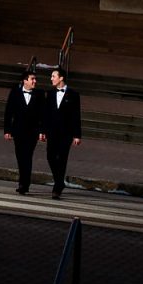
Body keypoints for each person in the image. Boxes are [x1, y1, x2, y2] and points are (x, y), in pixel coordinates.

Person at [0, 66, 44, 195]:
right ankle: (22, 181)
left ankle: (24, 184)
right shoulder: (15, 92)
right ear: (25, 80)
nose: (35, 81)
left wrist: (42, 131)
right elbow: (9, 112)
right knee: (20, 156)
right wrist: (7, 130)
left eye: (35, 79)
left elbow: (43, 114)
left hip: (32, 131)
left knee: (27, 156)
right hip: (18, 130)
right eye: (32, 79)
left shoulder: (39, 94)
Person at [45, 65, 83, 198]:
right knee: (50, 156)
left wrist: (77, 135)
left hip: (66, 133)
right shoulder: (50, 93)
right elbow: (46, 114)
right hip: (52, 132)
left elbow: (76, 115)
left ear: (61, 78)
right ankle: (60, 181)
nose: (51, 79)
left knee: (62, 158)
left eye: (53, 76)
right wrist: (42, 131)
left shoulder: (73, 95)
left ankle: (57, 188)